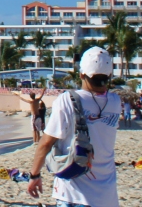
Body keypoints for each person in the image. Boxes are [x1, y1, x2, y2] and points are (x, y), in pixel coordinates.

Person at [27, 47, 122, 207]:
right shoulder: (115, 102)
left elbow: (46, 143)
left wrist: (34, 175)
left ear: (81, 74)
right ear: (109, 76)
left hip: (73, 193)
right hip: (107, 195)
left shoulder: (67, 100)